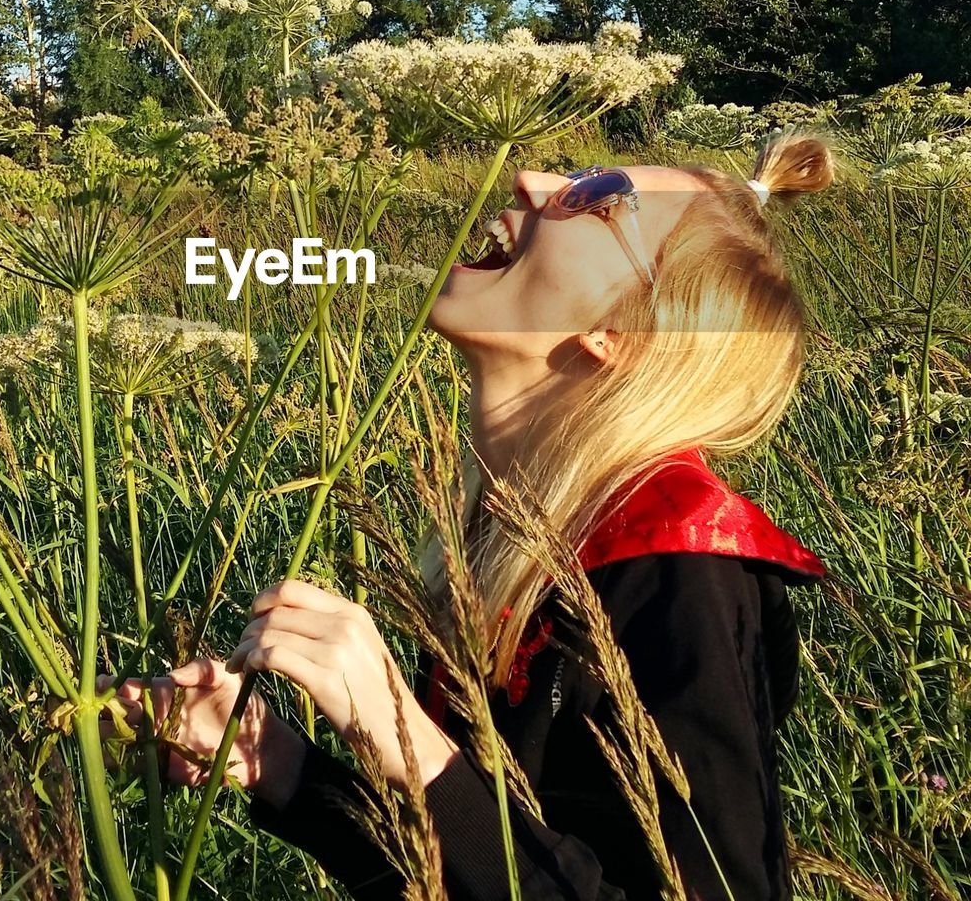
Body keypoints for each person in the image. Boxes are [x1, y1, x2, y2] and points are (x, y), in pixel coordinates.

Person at [111, 131, 835, 900]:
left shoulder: (677, 570)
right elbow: (467, 866)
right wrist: (272, 760)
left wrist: (408, 744)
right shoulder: (514, 538)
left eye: (598, 196)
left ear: (617, 334)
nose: (528, 179)